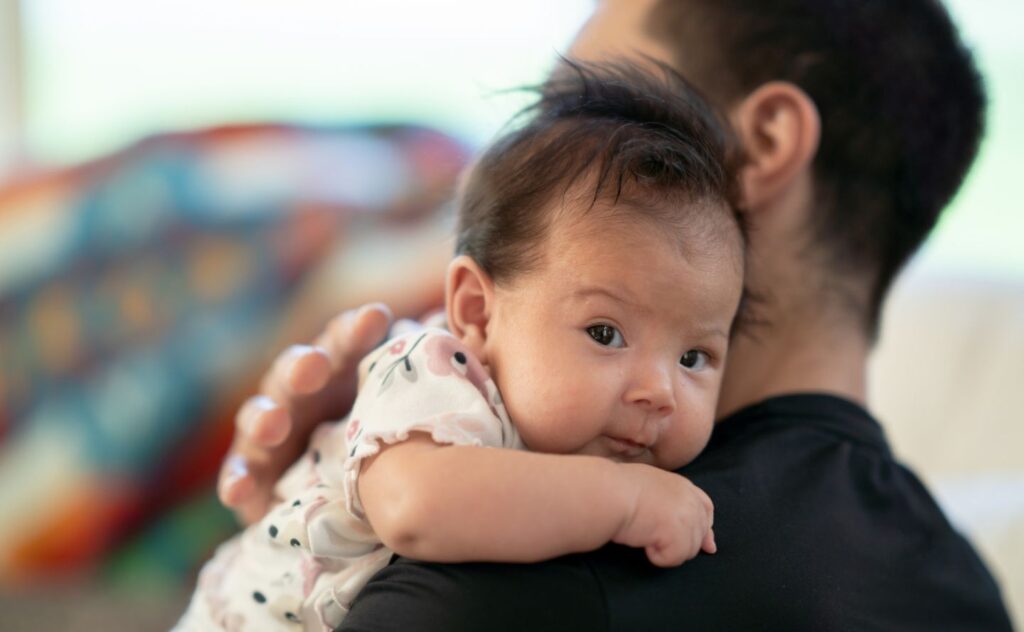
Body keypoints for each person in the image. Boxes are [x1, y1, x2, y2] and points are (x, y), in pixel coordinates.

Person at [218, 1, 1015, 629]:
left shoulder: (525, 567)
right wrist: (298, 523)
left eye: (579, 110)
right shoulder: (962, 589)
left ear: (762, 142)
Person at [181, 60, 744, 630]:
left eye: (693, 357)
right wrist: (624, 502)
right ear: (476, 310)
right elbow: (414, 508)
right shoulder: (433, 369)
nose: (660, 391)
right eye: (605, 333)